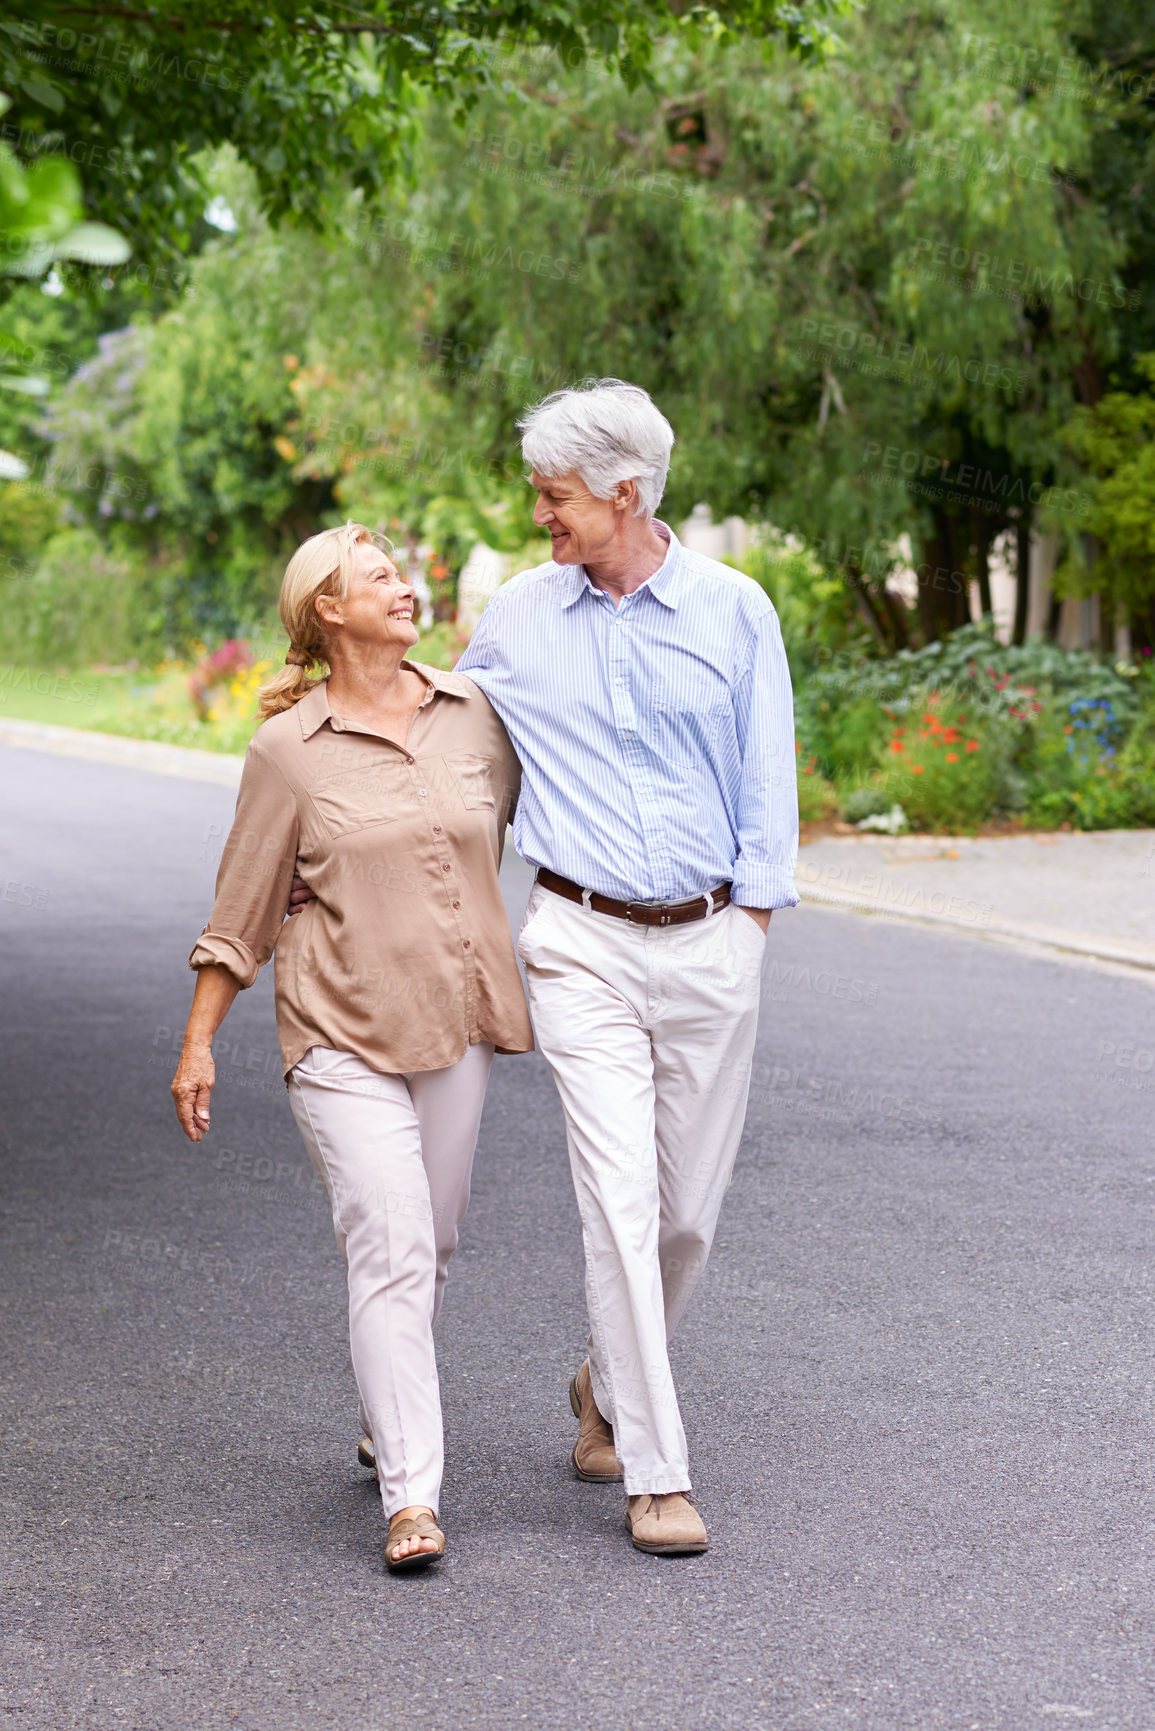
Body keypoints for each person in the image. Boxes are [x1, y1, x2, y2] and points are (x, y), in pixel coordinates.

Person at [456, 379, 799, 1555]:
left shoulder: (737, 609)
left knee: (686, 1220)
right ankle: (656, 1470)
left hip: (711, 939)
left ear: (624, 491)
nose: (540, 515)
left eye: (554, 496)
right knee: (618, 1201)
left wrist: (749, 927)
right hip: (581, 943)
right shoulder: (515, 616)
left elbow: (770, 780)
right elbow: (438, 733)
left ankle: (605, 1380)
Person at [171, 522, 532, 1574]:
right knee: (391, 1242)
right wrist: (200, 1045)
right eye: (379, 577)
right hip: (337, 1034)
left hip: (454, 1024)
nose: (405, 587)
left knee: (435, 1243)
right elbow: (240, 914)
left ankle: (387, 1408)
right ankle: (411, 1499)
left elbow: (500, 838)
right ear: (328, 610)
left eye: (403, 574)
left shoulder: (475, 719)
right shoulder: (289, 753)